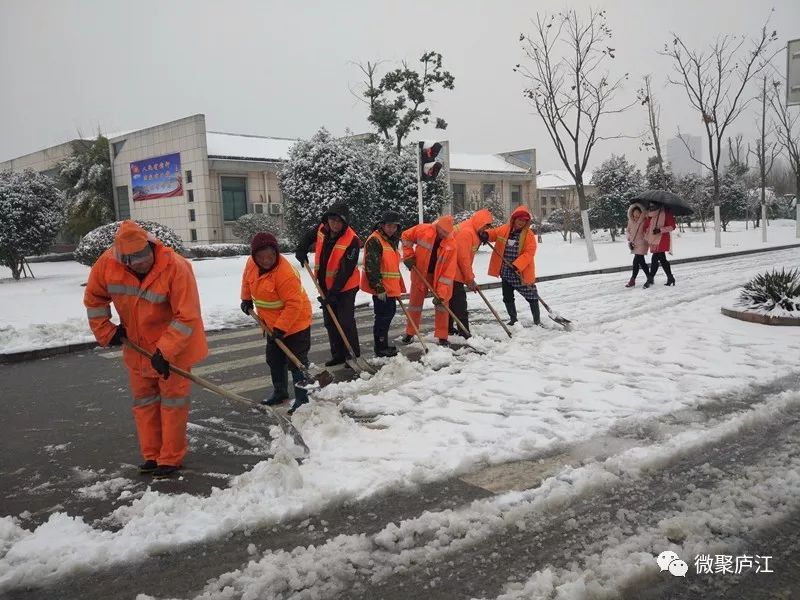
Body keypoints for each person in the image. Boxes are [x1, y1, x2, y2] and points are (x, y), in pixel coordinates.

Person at [84, 220, 208, 479]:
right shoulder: (108, 264)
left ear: (151, 247)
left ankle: (170, 458)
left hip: (175, 347)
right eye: (131, 259)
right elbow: (94, 299)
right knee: (145, 402)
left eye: (142, 256)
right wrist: (108, 331)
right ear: (121, 257)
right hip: (138, 348)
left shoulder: (176, 266)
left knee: (173, 402)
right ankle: (152, 455)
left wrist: (165, 351)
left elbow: (187, 316)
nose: (139, 263)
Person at [241, 232, 312, 415]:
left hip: (296, 323)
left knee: (296, 362)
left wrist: (281, 328)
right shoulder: (251, 264)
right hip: (272, 323)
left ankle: (302, 400)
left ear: (276, 253)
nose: (265, 261)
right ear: (254, 256)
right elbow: (246, 281)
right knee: (274, 359)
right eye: (261, 257)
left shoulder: (284, 274)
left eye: (270, 256)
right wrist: (246, 299)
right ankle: (280, 392)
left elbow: (294, 305)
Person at [295, 203, 361, 367]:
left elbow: (345, 271)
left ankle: (353, 355)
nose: (335, 224)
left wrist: (334, 293)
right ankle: (338, 354)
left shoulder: (352, 240)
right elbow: (308, 237)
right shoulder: (322, 229)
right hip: (325, 285)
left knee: (345, 321)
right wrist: (301, 249)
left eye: (339, 221)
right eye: (332, 219)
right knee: (330, 321)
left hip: (345, 287)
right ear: (328, 220)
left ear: (345, 222)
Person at [400, 215, 458, 347]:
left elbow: (448, 272)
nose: (444, 235)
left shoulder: (451, 244)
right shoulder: (423, 230)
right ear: (438, 227)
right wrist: (408, 256)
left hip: (438, 277)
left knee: (442, 304)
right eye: (442, 232)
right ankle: (410, 332)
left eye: (447, 233)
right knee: (415, 303)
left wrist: (442, 293)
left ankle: (442, 336)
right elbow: (405, 236)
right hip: (420, 273)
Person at [480, 205, 540, 326]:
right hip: (506, 272)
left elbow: (529, 252)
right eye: (519, 220)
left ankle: (537, 321)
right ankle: (513, 319)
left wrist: (517, 265)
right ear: (514, 219)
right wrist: (486, 235)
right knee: (507, 297)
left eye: (524, 221)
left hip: (520, 272)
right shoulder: (505, 229)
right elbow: (494, 233)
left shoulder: (528, 235)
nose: (521, 223)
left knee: (532, 297)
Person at [360, 210, 407, 357]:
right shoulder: (375, 240)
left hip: (390, 288)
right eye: (389, 226)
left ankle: (383, 344)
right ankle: (380, 347)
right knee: (382, 317)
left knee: (387, 316)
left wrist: (397, 287)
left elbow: (391, 266)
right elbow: (371, 266)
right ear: (382, 225)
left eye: (394, 226)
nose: (392, 229)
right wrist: (378, 288)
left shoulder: (390, 241)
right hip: (381, 289)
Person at [450, 208, 494, 336]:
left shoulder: (473, 230)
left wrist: (481, 238)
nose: (485, 230)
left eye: (487, 227)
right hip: (453, 272)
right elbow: (463, 258)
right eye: (484, 227)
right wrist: (469, 279)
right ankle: (464, 332)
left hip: (454, 272)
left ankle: (449, 328)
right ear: (480, 222)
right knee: (460, 303)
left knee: (452, 302)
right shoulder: (467, 233)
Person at [642, 201, 676, 288]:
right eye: (650, 205)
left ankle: (650, 279)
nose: (651, 207)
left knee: (656, 259)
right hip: (653, 240)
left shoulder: (666, 213)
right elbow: (646, 226)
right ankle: (670, 277)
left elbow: (672, 226)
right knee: (662, 259)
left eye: (653, 205)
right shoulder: (649, 215)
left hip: (662, 239)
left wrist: (660, 230)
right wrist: (646, 229)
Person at [625, 202, 650, 288]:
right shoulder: (630, 221)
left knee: (636, 261)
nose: (635, 217)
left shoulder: (644, 221)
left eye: (637, 215)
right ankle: (649, 277)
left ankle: (632, 280)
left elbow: (647, 231)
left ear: (641, 214)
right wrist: (628, 237)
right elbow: (628, 230)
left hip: (642, 243)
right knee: (642, 262)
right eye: (634, 215)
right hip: (634, 244)